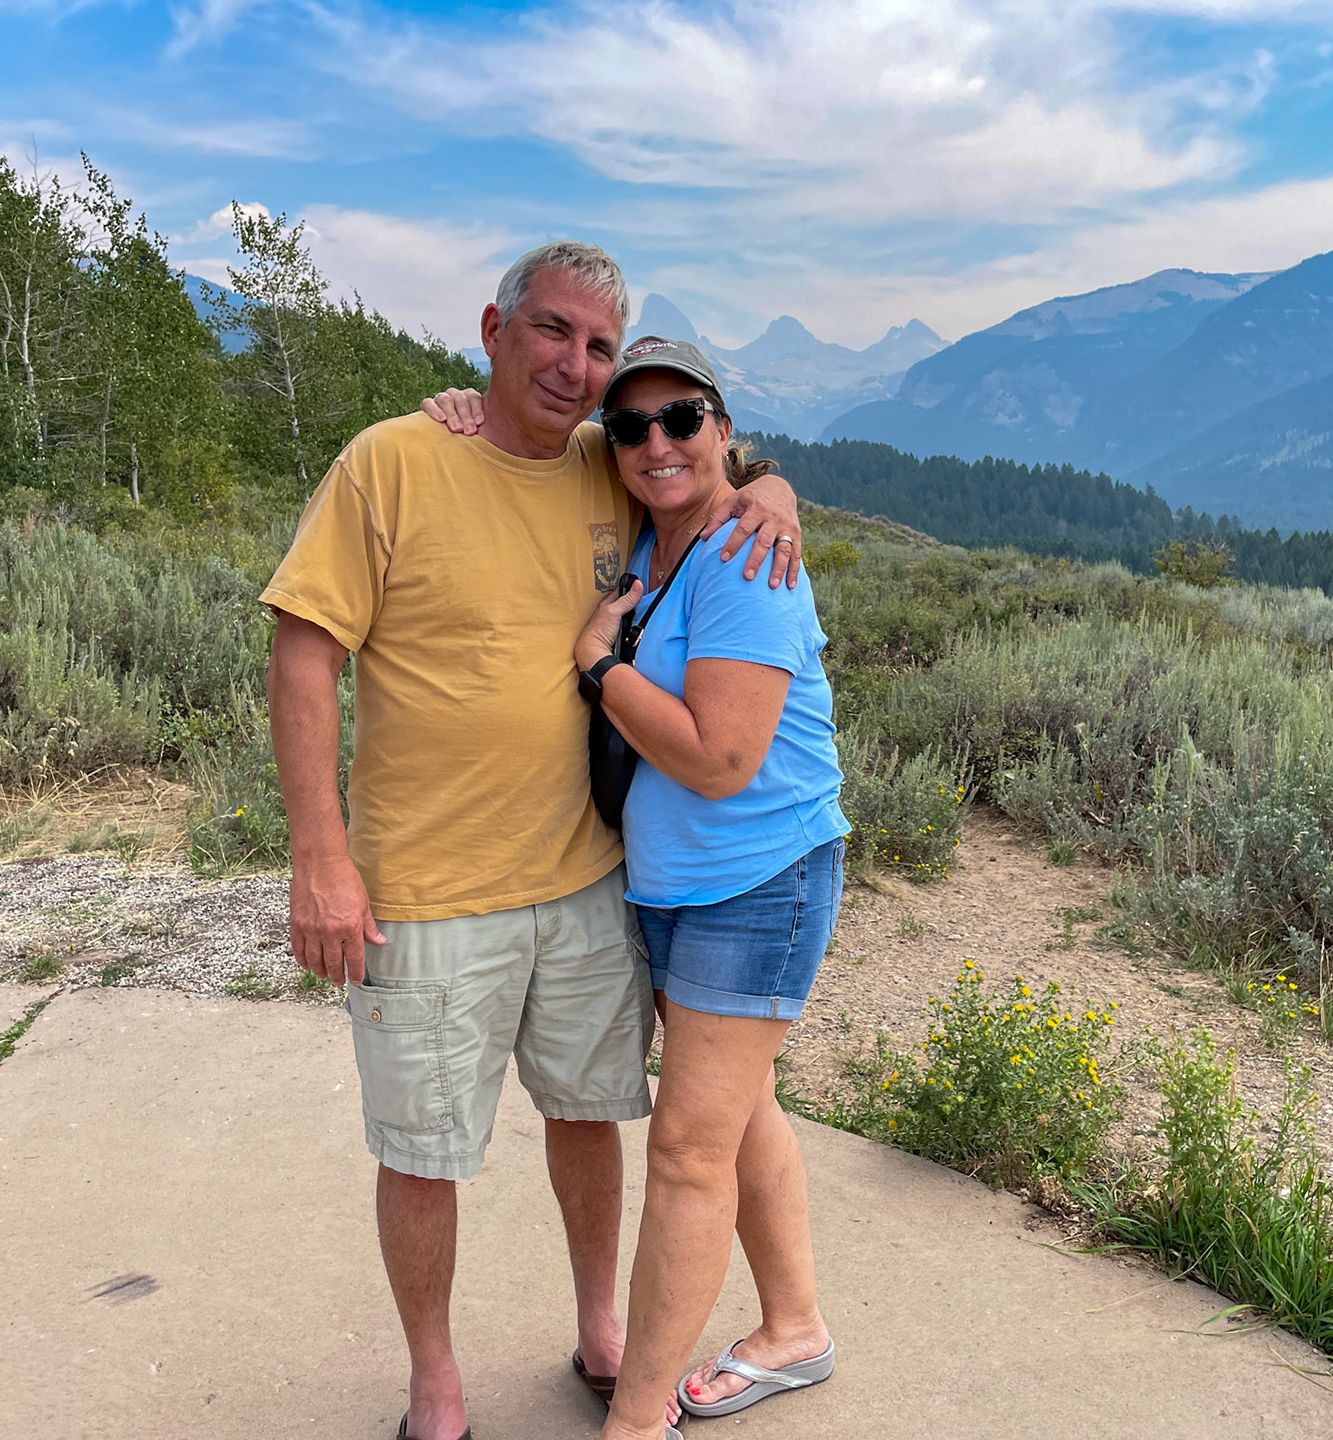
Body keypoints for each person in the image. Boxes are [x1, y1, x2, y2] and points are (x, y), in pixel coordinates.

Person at [262, 241, 804, 1440]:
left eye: (600, 347)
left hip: (583, 880)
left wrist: (775, 489)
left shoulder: (604, 467)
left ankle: (601, 1331)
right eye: (552, 331)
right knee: (422, 1151)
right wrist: (321, 855)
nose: (576, 365)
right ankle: (436, 1384)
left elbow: (705, 473)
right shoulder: (394, 461)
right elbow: (305, 650)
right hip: (426, 887)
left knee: (587, 1113)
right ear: (494, 328)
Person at [434, 339, 846, 1440]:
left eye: (683, 419)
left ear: (725, 426)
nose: (656, 443)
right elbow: (528, 425)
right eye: (630, 427)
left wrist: (599, 667)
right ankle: (794, 1328)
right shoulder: (656, 552)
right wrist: (458, 404)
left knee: (688, 1149)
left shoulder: (751, 555)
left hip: (754, 880)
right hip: (677, 884)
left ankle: (637, 1417)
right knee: (741, 1104)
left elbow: (719, 758)